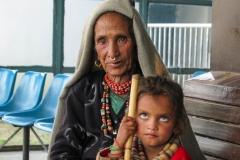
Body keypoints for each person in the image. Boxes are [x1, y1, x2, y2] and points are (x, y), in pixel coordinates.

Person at [48, 0, 205, 159]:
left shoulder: (154, 93)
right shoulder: (83, 90)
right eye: (102, 41)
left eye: (121, 39)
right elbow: (61, 152)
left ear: (137, 43)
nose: (112, 52)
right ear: (94, 48)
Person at [96, 76, 192, 160]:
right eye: (144, 115)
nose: (152, 126)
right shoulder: (127, 148)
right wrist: (119, 142)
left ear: (176, 124)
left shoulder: (181, 157)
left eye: (163, 118)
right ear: (133, 117)